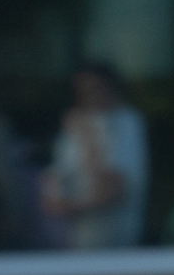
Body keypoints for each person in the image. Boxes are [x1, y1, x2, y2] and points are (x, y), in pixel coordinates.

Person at [40, 62, 149, 249]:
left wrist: (87, 138)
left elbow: (111, 192)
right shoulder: (75, 126)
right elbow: (51, 196)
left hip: (115, 246)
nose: (89, 97)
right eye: (82, 91)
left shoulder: (125, 123)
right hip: (75, 246)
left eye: (95, 89)